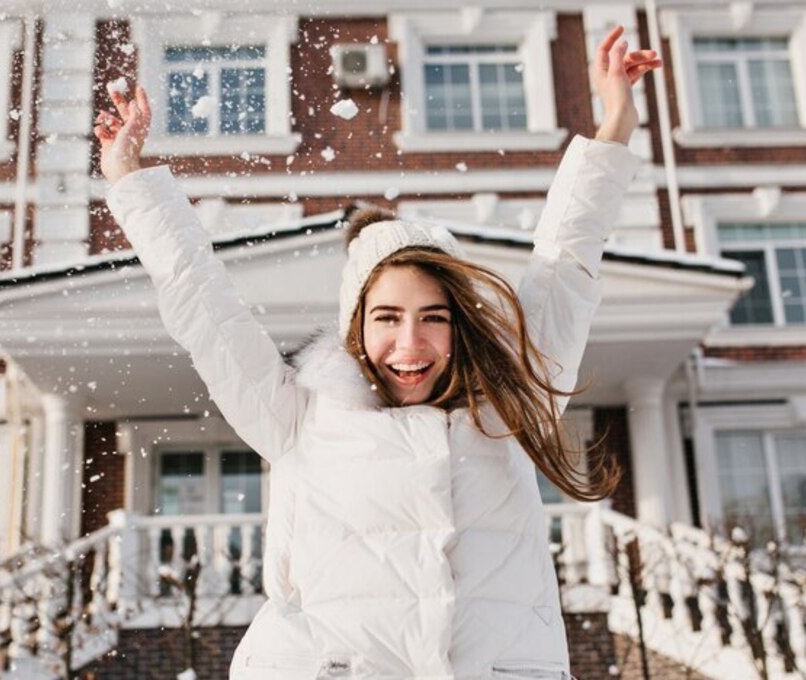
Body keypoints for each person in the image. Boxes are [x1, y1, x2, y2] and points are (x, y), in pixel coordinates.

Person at [96, 25, 660, 680]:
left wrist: (615, 120)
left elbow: (567, 263)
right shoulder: (298, 416)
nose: (410, 343)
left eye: (433, 318)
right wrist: (131, 182)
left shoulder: (510, 401)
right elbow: (203, 303)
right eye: (387, 318)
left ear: (461, 324)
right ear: (355, 326)